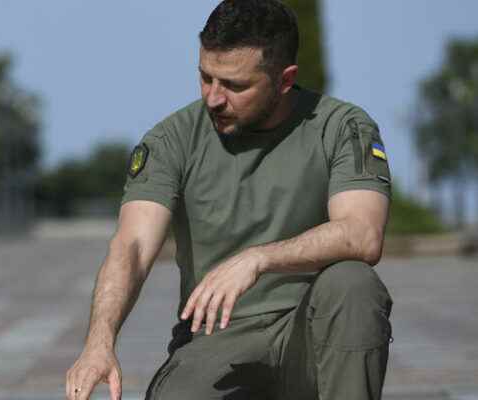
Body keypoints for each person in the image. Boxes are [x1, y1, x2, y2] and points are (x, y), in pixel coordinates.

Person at [65, 1, 393, 399]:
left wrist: (257, 258)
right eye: (206, 78)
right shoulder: (172, 139)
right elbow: (131, 245)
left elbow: (362, 234)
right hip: (215, 338)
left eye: (235, 86)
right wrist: (100, 340)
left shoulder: (341, 128)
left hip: (309, 336)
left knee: (354, 284)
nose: (214, 98)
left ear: (285, 80)